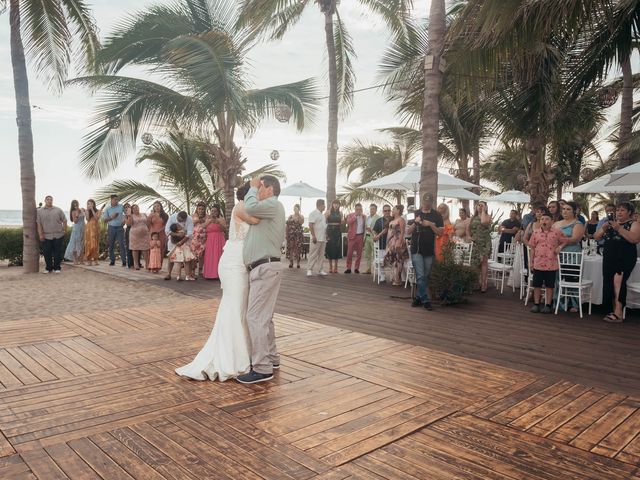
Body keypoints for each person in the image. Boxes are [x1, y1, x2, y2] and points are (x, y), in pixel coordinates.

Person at [176, 183, 259, 381]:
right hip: (233, 264)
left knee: (239, 308)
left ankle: (242, 352)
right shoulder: (241, 207)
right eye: (256, 193)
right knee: (234, 306)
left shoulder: (247, 207)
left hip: (241, 262)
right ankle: (230, 357)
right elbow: (257, 221)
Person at [236, 175, 286, 384]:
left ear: (269, 189)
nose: (257, 191)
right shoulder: (269, 208)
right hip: (265, 267)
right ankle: (272, 358)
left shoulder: (273, 204)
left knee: (255, 317)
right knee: (265, 317)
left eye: (260, 188)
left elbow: (250, 208)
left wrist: (250, 188)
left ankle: (262, 367)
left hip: (264, 268)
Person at [594, 202, 640, 323]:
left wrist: (619, 228)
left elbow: (635, 239)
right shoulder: (610, 223)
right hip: (609, 257)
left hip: (624, 257)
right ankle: (613, 309)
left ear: (629, 212)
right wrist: (603, 229)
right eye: (618, 210)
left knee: (618, 281)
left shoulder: (633, 224)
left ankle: (619, 313)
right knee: (609, 281)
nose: (619, 212)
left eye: (622, 210)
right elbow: (596, 237)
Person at [408, 195, 444, 308]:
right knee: (420, 275)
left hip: (429, 250)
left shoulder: (437, 215)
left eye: (428, 202)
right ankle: (425, 300)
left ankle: (418, 297)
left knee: (426, 276)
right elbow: (408, 231)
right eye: (424, 201)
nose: (426, 204)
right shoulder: (414, 213)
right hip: (416, 249)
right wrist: (415, 222)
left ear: (432, 202)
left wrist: (430, 224)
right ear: (421, 201)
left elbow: (440, 233)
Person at [528, 210, 565, 314]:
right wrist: (531, 262)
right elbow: (532, 248)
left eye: (547, 219)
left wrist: (560, 247)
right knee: (537, 285)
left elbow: (565, 240)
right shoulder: (535, 232)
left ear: (552, 221)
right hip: (538, 263)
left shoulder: (557, 232)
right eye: (542, 219)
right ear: (540, 221)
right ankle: (536, 304)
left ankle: (548, 304)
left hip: (551, 263)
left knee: (549, 285)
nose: (544, 221)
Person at [553, 201, 586, 313]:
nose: (565, 211)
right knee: (557, 278)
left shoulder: (577, 224)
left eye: (568, 209)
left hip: (572, 254)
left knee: (571, 278)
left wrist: (561, 242)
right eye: (563, 209)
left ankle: (574, 304)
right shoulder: (556, 224)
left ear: (574, 211)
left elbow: (575, 239)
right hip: (558, 255)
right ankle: (559, 302)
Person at [36, 195, 67, 274]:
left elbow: (65, 220)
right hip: (46, 235)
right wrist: (40, 234)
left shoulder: (58, 210)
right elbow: (39, 224)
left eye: (51, 200)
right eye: (48, 199)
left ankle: (57, 268)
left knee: (57, 252)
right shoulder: (39, 211)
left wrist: (64, 230)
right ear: (45, 201)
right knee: (47, 252)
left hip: (58, 235)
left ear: (52, 201)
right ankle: (48, 268)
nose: (49, 201)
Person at [467, 201, 492, 292]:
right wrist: (469, 236)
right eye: (479, 205)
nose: (480, 207)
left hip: (484, 242)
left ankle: (484, 283)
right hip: (475, 242)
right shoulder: (472, 218)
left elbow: (483, 222)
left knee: (483, 263)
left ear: (485, 207)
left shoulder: (487, 217)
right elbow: (468, 229)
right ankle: (476, 282)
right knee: (475, 263)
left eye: (482, 205)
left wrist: (483, 212)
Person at [164, 211, 194, 280]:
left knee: (187, 259)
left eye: (182, 221)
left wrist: (181, 241)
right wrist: (177, 235)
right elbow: (167, 230)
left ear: (185, 219)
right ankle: (168, 273)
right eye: (179, 220)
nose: (180, 222)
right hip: (173, 240)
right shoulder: (172, 217)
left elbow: (189, 233)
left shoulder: (189, 219)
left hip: (185, 241)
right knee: (171, 257)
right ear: (177, 216)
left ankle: (187, 275)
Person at [384, 205, 408, 286]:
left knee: (398, 260)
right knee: (393, 259)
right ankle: (394, 277)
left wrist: (399, 241)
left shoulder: (401, 220)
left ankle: (397, 279)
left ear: (398, 210)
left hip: (397, 241)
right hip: (391, 242)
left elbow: (402, 232)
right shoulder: (393, 220)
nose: (392, 211)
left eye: (393, 209)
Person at [203, 205, 227, 280]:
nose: (213, 212)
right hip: (210, 240)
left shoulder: (221, 219)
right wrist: (209, 221)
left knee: (218, 255)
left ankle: (218, 274)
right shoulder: (208, 219)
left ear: (218, 212)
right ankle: (209, 274)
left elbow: (225, 229)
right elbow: (203, 227)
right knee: (210, 256)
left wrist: (218, 223)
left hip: (219, 239)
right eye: (212, 211)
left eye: (215, 211)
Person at [103, 194, 126, 266]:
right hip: (111, 227)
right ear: (111, 200)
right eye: (115, 199)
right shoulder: (107, 209)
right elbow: (105, 220)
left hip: (120, 227)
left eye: (117, 199)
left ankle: (124, 261)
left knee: (121, 244)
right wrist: (112, 217)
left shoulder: (121, 206)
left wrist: (124, 220)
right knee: (111, 245)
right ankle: (112, 260)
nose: (117, 201)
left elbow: (127, 214)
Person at [125, 204, 150, 270]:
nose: (136, 209)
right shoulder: (131, 216)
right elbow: (129, 224)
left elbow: (148, 223)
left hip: (145, 234)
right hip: (134, 235)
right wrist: (129, 216)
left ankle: (147, 264)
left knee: (145, 249)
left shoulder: (144, 214)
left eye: (137, 207)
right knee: (135, 249)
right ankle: (136, 264)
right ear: (132, 210)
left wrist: (149, 231)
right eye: (134, 208)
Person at [307, 199, 327, 277]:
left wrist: (326, 235)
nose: (325, 206)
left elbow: (324, 226)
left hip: (323, 238)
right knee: (313, 254)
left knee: (321, 255)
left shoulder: (323, 215)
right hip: (316, 238)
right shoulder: (313, 214)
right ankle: (309, 269)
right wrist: (314, 236)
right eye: (324, 205)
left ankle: (320, 270)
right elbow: (311, 225)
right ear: (320, 205)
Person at [344, 203, 367, 274]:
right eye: (357, 209)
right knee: (349, 253)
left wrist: (364, 237)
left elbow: (365, 226)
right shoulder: (350, 215)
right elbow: (348, 222)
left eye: (360, 209)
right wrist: (355, 216)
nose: (359, 211)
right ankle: (348, 268)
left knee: (359, 253)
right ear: (355, 209)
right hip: (352, 236)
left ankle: (357, 268)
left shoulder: (364, 217)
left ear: (362, 209)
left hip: (360, 236)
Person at [372, 204, 392, 282]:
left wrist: (378, 236)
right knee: (380, 262)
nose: (387, 212)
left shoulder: (393, 219)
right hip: (381, 245)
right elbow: (374, 230)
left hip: (390, 246)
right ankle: (382, 276)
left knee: (391, 261)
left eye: (388, 210)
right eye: (385, 210)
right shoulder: (379, 220)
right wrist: (374, 235)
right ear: (383, 211)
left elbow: (387, 229)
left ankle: (393, 276)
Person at [64, 200, 85, 265]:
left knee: (82, 243)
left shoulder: (82, 209)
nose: (76, 205)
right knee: (75, 244)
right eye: (74, 204)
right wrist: (77, 214)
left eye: (76, 203)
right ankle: (75, 260)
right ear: (72, 205)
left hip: (83, 228)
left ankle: (81, 260)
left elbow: (86, 216)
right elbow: (75, 221)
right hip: (76, 229)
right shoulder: (73, 212)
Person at [325, 201, 343, 274]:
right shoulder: (328, 212)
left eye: (337, 204)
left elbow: (342, 223)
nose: (336, 205)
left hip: (337, 231)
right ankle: (330, 267)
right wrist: (325, 233)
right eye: (335, 204)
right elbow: (324, 222)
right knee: (329, 248)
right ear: (332, 204)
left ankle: (336, 267)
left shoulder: (340, 213)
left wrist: (343, 221)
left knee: (337, 248)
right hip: (330, 231)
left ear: (339, 205)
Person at [190, 202, 208, 277]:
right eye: (199, 209)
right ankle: (193, 271)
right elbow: (191, 224)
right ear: (197, 209)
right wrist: (197, 220)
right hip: (195, 238)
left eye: (202, 209)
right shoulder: (193, 216)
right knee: (194, 255)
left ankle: (200, 270)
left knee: (202, 255)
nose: (201, 210)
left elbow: (208, 224)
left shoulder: (207, 216)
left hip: (203, 238)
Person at [363, 204, 381, 274]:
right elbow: (365, 227)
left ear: (376, 210)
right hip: (367, 237)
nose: (371, 210)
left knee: (375, 254)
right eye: (370, 209)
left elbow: (379, 229)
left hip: (373, 237)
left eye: (373, 209)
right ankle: (368, 269)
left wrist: (372, 230)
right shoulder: (367, 218)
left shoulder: (378, 218)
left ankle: (377, 269)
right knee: (367, 254)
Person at [285, 205, 304, 269]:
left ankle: (298, 263)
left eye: (296, 208)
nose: (295, 210)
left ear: (299, 209)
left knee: (297, 248)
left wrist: (298, 216)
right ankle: (291, 262)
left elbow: (301, 222)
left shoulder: (301, 216)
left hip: (298, 234)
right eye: (294, 208)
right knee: (291, 248)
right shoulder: (290, 216)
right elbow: (287, 226)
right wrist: (286, 234)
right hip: (291, 234)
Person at [83, 199, 102, 265]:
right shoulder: (86, 211)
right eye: (88, 203)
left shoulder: (98, 211)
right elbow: (87, 219)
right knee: (89, 243)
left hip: (95, 228)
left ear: (93, 204)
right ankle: (89, 259)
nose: (89, 205)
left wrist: (92, 210)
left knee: (95, 244)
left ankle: (96, 259)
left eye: (91, 203)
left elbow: (97, 218)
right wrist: (88, 211)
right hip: (89, 228)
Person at [122, 202, 134, 269]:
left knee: (136, 247)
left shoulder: (134, 214)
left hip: (136, 231)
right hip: (129, 231)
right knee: (129, 247)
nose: (127, 208)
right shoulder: (124, 216)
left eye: (128, 206)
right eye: (125, 207)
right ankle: (130, 263)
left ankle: (136, 262)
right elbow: (127, 224)